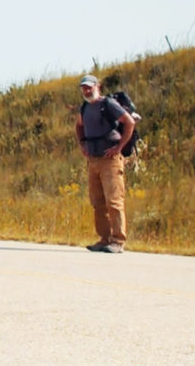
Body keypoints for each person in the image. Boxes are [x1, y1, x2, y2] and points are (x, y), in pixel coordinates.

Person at [73, 74, 134, 254]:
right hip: (93, 159)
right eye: (83, 88)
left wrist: (119, 147)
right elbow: (78, 126)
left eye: (89, 87)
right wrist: (82, 143)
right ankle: (104, 239)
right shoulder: (84, 108)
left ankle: (118, 240)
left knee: (114, 200)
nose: (86, 90)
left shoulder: (107, 104)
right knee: (97, 201)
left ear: (97, 86)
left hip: (110, 160)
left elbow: (129, 122)